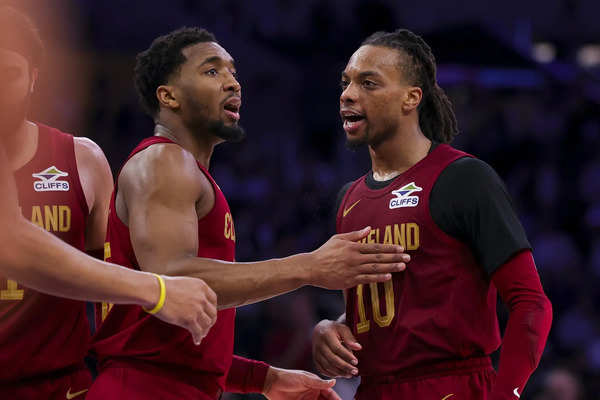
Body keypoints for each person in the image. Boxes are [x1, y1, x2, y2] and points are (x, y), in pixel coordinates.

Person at [87, 27, 410, 400]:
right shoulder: (164, 161)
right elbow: (171, 282)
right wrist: (310, 267)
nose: (232, 83)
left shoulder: (189, 172)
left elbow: (173, 347)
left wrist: (263, 379)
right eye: (212, 71)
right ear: (168, 95)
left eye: (233, 72)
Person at [311, 29, 553, 400]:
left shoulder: (463, 178)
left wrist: (507, 394)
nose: (347, 94)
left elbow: (531, 304)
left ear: (411, 98)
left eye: (368, 83)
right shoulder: (349, 199)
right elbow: (388, 312)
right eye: (346, 83)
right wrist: (333, 328)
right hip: (372, 390)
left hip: (452, 385)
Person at [0, 7, 217, 399]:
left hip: (64, 387)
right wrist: (158, 290)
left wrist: (255, 376)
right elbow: (12, 241)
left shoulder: (80, 160)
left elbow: (119, 317)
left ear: (34, 78)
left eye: (8, 74)